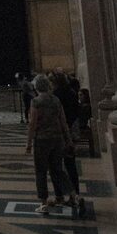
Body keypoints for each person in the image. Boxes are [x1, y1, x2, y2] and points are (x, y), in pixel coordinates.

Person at [25, 73, 85, 216]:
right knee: (58, 170)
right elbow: (63, 122)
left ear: (36, 86)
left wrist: (29, 143)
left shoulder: (36, 101)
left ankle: (43, 203)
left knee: (41, 171)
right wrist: (68, 140)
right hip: (57, 139)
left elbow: (33, 124)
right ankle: (75, 196)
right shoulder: (56, 100)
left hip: (42, 140)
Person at [52, 72, 81, 196]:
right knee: (70, 164)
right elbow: (76, 111)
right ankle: (76, 192)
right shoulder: (72, 93)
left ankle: (60, 194)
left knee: (56, 166)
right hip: (70, 131)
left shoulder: (55, 96)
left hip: (59, 133)